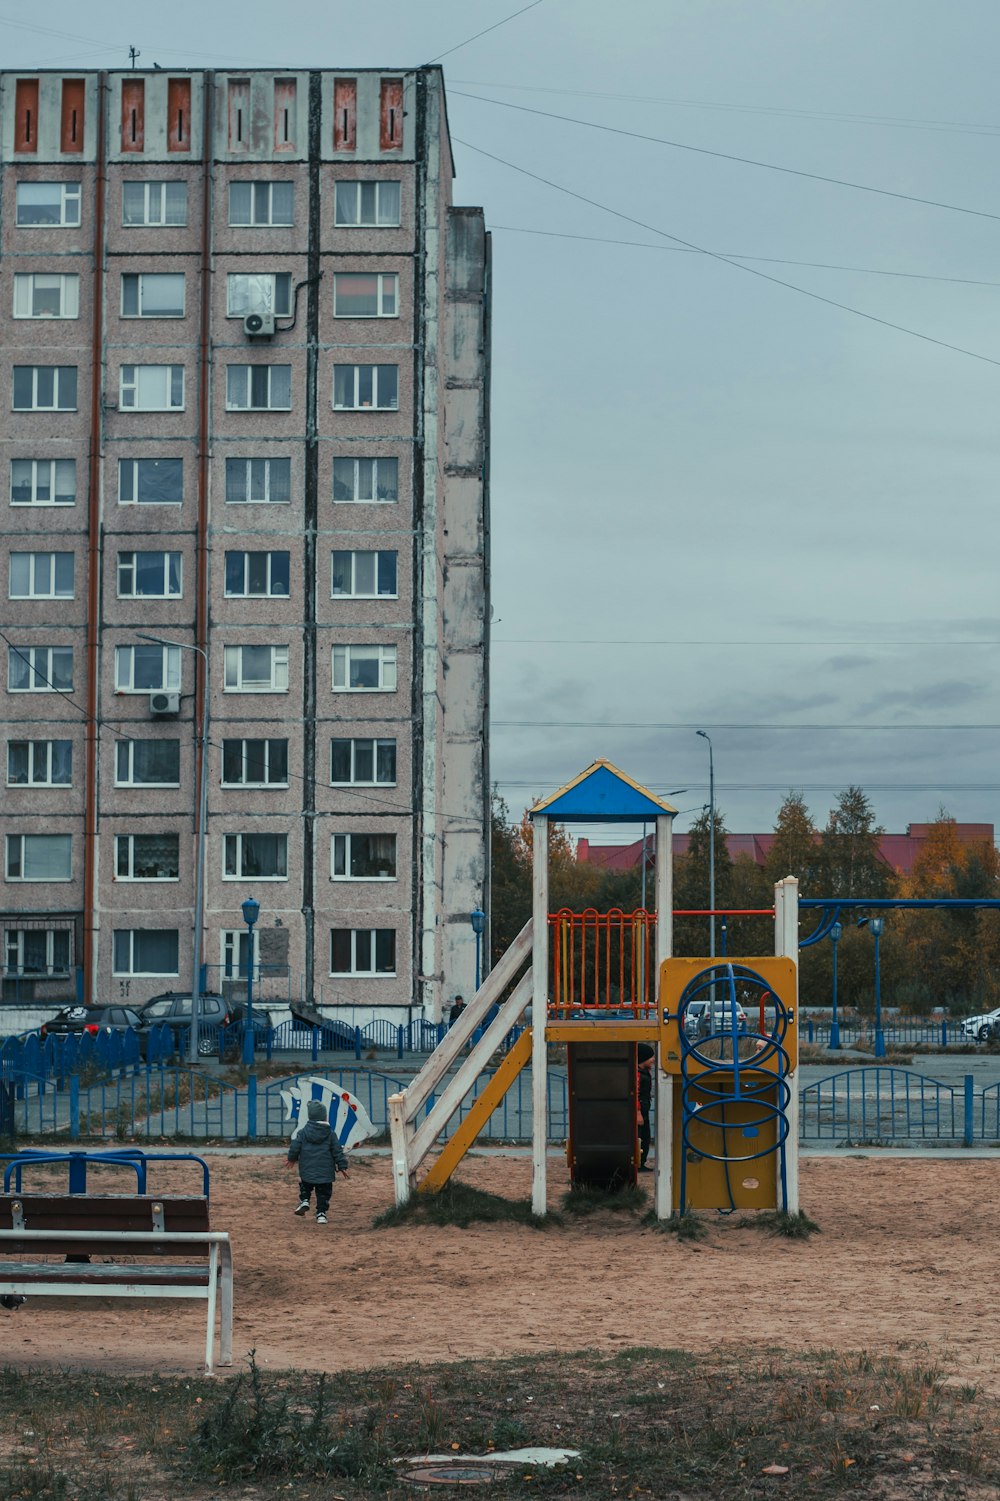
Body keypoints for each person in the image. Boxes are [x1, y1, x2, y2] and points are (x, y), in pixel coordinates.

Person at [286, 1099, 348, 1223]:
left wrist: (291, 1158)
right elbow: (337, 1151)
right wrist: (342, 1166)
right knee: (323, 1193)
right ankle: (321, 1214)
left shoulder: (302, 1133)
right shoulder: (330, 1134)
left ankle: (305, 1200)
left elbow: (295, 1146)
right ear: (325, 1117)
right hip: (325, 1172)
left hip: (307, 1169)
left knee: (305, 1185)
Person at [637, 1043, 655, 1172]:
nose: (653, 1059)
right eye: (650, 1057)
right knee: (640, 1137)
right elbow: (635, 1093)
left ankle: (641, 1162)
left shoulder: (645, 1072)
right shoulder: (638, 1074)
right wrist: (638, 1112)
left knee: (646, 1137)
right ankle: (638, 1163)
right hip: (640, 1110)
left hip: (644, 1109)